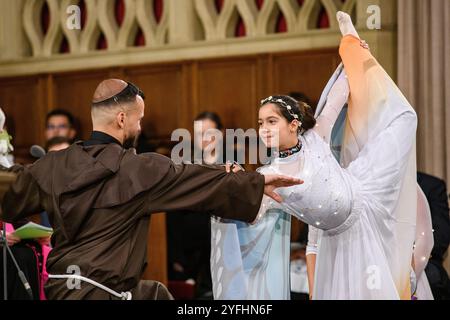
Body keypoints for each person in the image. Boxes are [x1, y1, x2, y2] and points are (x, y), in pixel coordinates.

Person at [0, 79, 301, 300]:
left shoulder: (51, 166)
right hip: (105, 294)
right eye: (138, 120)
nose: (141, 127)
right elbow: (191, 179)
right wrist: (258, 182)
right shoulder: (137, 169)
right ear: (121, 119)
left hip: (59, 290)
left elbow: (9, 187)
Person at [212, 12, 434, 300]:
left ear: (293, 125)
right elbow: (254, 209)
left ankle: (354, 44)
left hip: (364, 189)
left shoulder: (315, 137)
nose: (263, 129)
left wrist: (353, 53)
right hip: (337, 240)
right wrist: (230, 181)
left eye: (271, 122)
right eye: (259, 123)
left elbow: (339, 94)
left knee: (405, 118)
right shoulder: (268, 174)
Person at [166, 111, 224, 299]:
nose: (205, 139)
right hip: (190, 252)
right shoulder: (184, 167)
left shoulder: (233, 165)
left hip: (223, 248)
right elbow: (173, 215)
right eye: (200, 134)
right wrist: (177, 257)